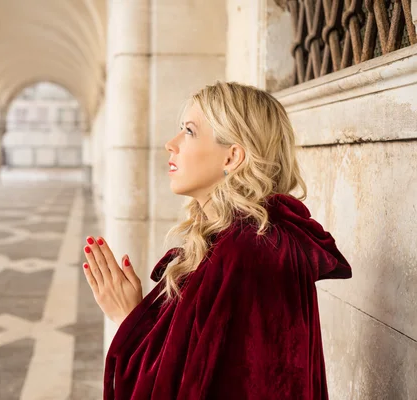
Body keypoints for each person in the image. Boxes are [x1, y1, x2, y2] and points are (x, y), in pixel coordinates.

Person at [81, 81, 352, 399]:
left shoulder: (248, 253)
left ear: (232, 157)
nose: (171, 144)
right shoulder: (236, 243)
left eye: (190, 132)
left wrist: (128, 318)